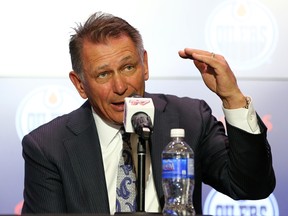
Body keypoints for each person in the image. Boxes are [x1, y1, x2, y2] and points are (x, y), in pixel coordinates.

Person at [21, 11, 275, 214]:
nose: (121, 86)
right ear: (79, 84)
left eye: (129, 67)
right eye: (103, 74)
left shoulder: (189, 118)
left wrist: (232, 98)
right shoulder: (47, 146)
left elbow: (251, 187)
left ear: (145, 66)